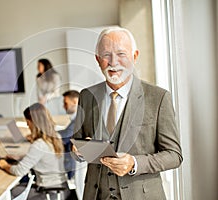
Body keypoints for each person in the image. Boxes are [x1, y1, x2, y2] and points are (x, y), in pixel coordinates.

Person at [72, 26, 183, 200]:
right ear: (97, 59)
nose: (113, 62)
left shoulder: (158, 97)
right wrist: (79, 151)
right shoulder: (87, 96)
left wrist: (134, 163)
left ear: (135, 56)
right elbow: (77, 145)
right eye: (106, 55)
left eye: (121, 54)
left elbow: (174, 155)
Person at [0, 103, 70, 200]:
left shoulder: (39, 145)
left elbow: (19, 171)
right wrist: (22, 158)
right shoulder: (56, 137)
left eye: (28, 122)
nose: (27, 125)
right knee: (17, 190)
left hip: (49, 193)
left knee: (10, 194)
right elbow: (45, 157)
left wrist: (4, 165)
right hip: (62, 189)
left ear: (34, 123)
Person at [58, 90, 79, 180]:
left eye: (65, 103)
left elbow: (65, 136)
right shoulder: (75, 119)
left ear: (75, 101)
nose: (63, 106)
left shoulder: (79, 119)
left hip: (72, 167)